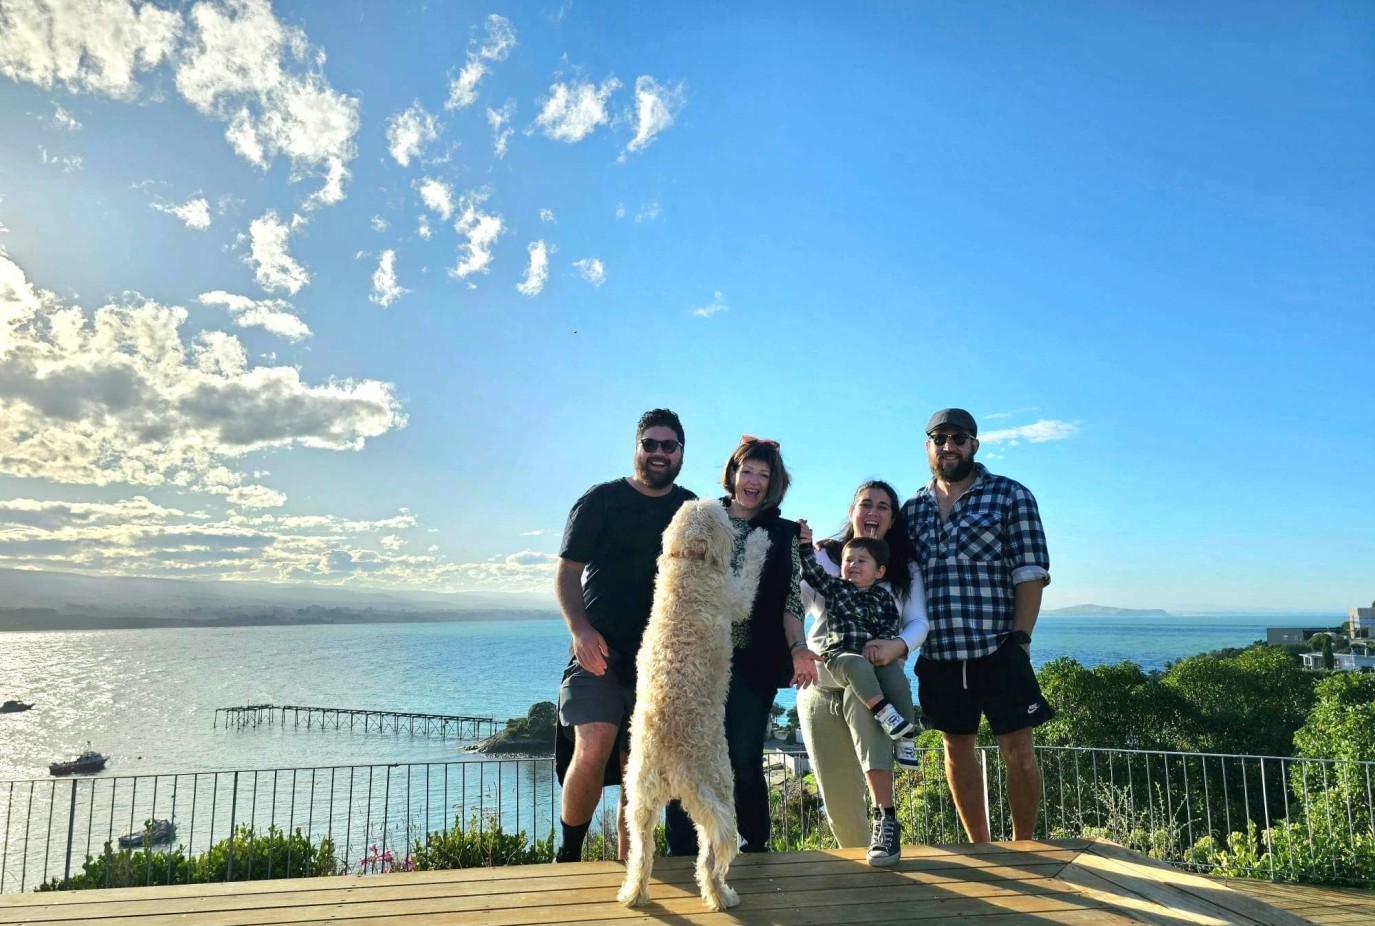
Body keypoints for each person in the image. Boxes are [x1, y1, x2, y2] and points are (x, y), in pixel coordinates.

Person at [902, 407, 1053, 843]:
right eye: (939, 438)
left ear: (974, 445)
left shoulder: (1011, 496)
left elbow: (1030, 572)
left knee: (1019, 752)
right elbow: (876, 552)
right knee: (955, 751)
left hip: (998, 648)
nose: (949, 446)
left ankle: (1025, 847)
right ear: (928, 446)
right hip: (941, 652)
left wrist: (1020, 642)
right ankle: (981, 847)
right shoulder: (913, 508)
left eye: (959, 438)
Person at [553, 409, 695, 862]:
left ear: (680, 453)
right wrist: (579, 630)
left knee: (641, 769)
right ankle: (568, 855)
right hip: (599, 652)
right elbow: (567, 572)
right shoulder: (601, 500)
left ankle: (631, 864)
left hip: (661, 662)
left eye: (667, 446)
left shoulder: (692, 509)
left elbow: (745, 519)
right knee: (593, 745)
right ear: (636, 448)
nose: (658, 453)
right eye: (649, 444)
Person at [665, 435, 818, 856]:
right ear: (732, 473)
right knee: (686, 753)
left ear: (774, 483)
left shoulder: (786, 533)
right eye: (746, 470)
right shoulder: (700, 518)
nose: (753, 480)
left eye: (763, 474)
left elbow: (791, 601)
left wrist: (800, 648)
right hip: (696, 658)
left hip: (754, 662)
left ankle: (753, 845)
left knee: (743, 755)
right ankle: (682, 849)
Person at [797, 481, 928, 865]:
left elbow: (918, 622)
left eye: (884, 507)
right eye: (866, 504)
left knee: (866, 685)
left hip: (873, 679)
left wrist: (898, 646)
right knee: (837, 801)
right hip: (822, 686)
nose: (873, 512)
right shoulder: (828, 560)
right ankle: (860, 882)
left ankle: (885, 819)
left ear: (892, 518)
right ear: (852, 511)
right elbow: (795, 603)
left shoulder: (903, 570)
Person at [796, 528, 914, 740]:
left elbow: (890, 625)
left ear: (879, 571)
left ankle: (907, 738)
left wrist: (879, 643)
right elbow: (813, 572)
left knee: (898, 678)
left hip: (869, 657)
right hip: (840, 656)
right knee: (856, 664)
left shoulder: (883, 598)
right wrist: (805, 545)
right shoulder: (836, 587)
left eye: (862, 561)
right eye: (848, 560)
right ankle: (884, 712)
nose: (853, 565)